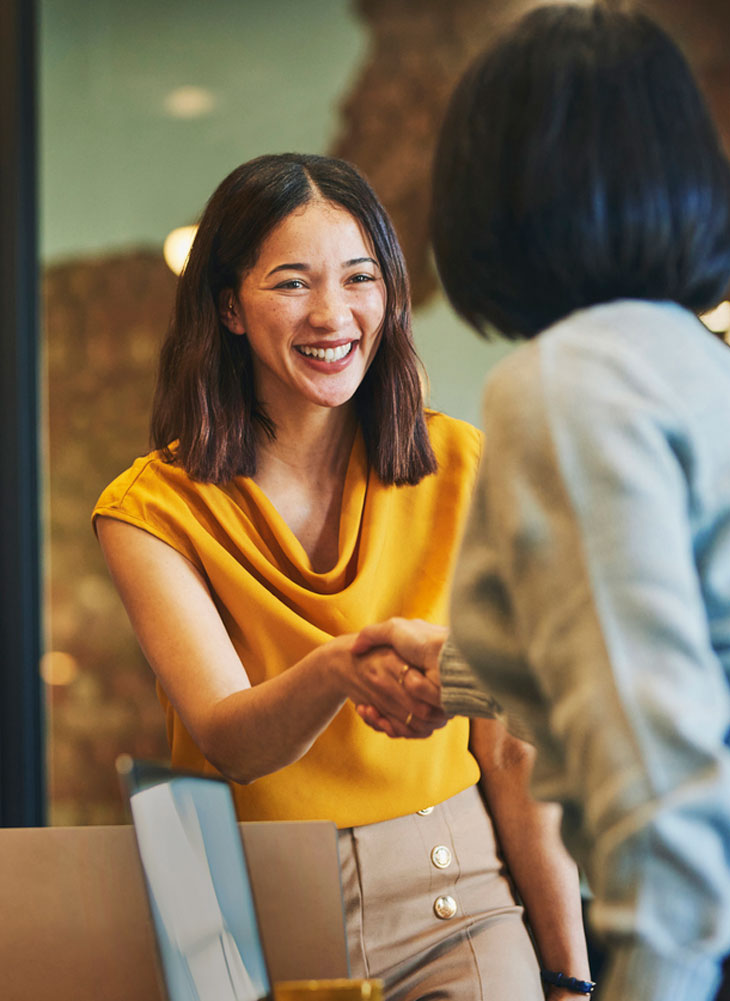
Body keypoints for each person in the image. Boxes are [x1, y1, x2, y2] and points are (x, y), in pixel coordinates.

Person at [351, 4, 730, 1001]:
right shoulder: (701, 364)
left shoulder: (563, 384)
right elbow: (684, 634)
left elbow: (659, 755)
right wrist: (460, 672)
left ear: (490, 195)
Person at [92, 152, 590, 1001]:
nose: (333, 314)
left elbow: (511, 750)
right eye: (291, 283)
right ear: (228, 307)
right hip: (244, 924)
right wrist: (336, 667)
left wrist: (571, 976)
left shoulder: (465, 467)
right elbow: (230, 740)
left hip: (456, 900)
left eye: (360, 278)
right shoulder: (149, 510)